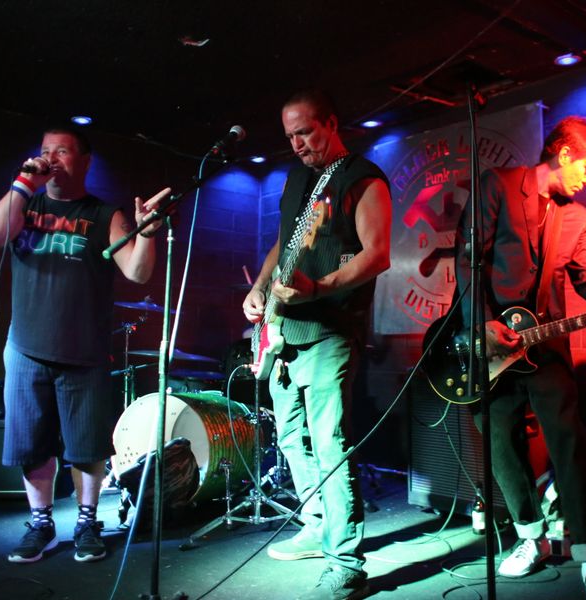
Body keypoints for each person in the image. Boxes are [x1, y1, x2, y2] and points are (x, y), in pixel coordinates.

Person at [454, 116, 586, 600]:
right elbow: (469, 260)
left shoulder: (577, 216)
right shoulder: (498, 185)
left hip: (545, 346)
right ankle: (531, 536)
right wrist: (482, 323)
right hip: (493, 346)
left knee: (570, 442)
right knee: (499, 443)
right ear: (564, 154)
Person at [0, 126, 170, 563]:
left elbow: (137, 272)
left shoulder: (103, 215)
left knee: (86, 446)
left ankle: (86, 522)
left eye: (61, 151)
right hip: (25, 347)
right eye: (45, 150)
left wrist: (146, 233)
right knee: (32, 445)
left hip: (84, 351)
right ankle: (41, 523)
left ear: (84, 161)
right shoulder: (26, 205)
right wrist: (23, 183)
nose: (51, 158)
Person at [242, 89, 391, 600]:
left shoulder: (363, 178)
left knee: (330, 443)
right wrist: (260, 288)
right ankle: (318, 523)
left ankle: (346, 561)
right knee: (290, 437)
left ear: (330, 122)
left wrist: (318, 287)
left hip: (331, 329)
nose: (297, 144)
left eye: (305, 132)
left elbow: (377, 254)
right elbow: (283, 244)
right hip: (284, 329)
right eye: (290, 136)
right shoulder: (297, 179)